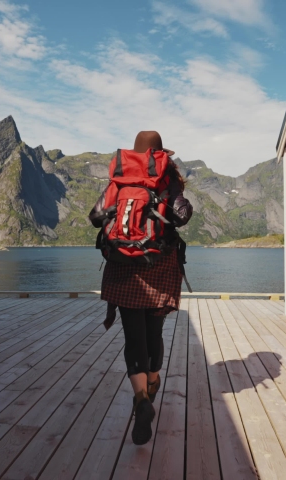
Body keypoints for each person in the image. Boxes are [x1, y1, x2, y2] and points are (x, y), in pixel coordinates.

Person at [88, 130, 193, 445]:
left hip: (122, 267)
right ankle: (154, 380)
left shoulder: (119, 178)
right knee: (153, 333)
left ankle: (141, 400)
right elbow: (182, 214)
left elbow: (95, 217)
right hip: (158, 266)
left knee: (133, 337)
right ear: (161, 154)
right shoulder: (167, 177)